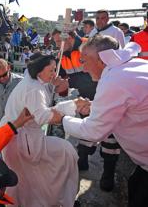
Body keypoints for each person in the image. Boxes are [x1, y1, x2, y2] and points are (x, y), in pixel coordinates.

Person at [51, 35, 148, 207]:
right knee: (135, 185)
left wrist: (62, 119)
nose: (83, 67)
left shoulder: (113, 80)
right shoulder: (130, 66)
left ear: (101, 60)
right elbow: (127, 103)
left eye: (85, 60)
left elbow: (94, 131)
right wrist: (94, 106)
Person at [0, 54, 79, 207]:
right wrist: (72, 108)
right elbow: (43, 116)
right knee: (65, 153)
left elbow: (43, 103)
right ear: (39, 71)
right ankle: (57, 197)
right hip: (21, 141)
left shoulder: (33, 80)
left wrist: (54, 85)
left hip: (17, 138)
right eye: (51, 70)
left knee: (27, 181)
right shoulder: (33, 89)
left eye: (55, 70)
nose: (54, 74)